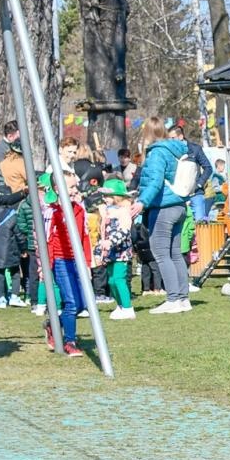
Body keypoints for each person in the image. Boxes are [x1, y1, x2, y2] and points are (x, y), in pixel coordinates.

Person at [134, 124, 195, 314]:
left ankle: (173, 298)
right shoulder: (174, 150)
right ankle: (183, 298)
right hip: (179, 205)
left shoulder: (157, 153)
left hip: (163, 207)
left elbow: (155, 181)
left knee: (161, 253)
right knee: (175, 253)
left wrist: (142, 201)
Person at [42, 173, 90, 356]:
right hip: (61, 261)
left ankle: (53, 325)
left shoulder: (79, 210)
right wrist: (46, 265)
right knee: (71, 302)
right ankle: (70, 341)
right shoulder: (52, 212)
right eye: (71, 187)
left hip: (77, 261)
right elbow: (47, 239)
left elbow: (85, 236)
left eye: (75, 186)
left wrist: (87, 263)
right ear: (57, 189)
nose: (75, 190)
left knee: (82, 303)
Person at [95, 178, 137, 319]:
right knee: (111, 281)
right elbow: (102, 233)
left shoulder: (123, 212)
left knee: (119, 279)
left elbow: (124, 231)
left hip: (121, 252)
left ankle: (128, 307)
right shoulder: (106, 212)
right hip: (110, 253)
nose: (104, 198)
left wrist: (111, 242)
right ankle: (120, 305)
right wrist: (99, 250)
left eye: (107, 196)